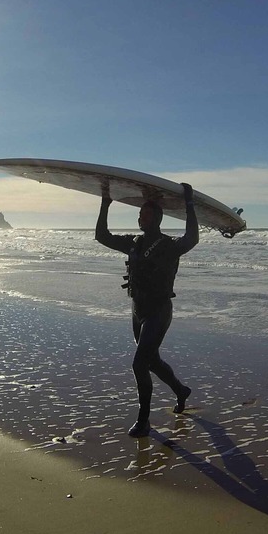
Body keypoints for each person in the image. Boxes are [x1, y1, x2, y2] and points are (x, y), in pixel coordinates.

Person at [95, 182, 199, 438]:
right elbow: (101, 236)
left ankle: (144, 421)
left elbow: (192, 238)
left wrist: (189, 203)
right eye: (140, 214)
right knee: (150, 361)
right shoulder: (134, 242)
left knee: (139, 363)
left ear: (156, 219)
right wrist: (106, 202)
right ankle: (181, 390)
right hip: (137, 310)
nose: (140, 218)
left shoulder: (168, 245)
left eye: (145, 214)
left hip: (159, 311)